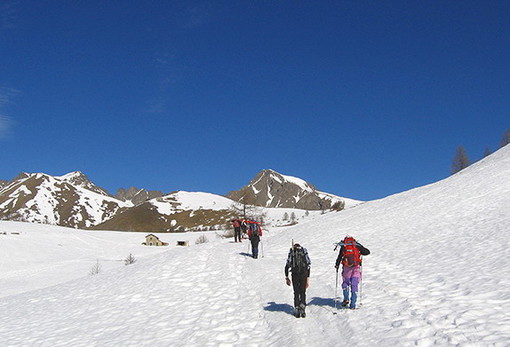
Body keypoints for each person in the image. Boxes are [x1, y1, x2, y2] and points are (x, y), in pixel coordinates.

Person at [335, 236, 370, 309]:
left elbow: (340, 256)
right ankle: (353, 305)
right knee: (354, 285)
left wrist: (337, 265)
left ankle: (346, 299)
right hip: (356, 268)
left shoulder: (344, 246)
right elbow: (367, 252)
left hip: (346, 269)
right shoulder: (356, 246)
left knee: (346, 284)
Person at [285, 243, 311, 318]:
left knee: (296, 291)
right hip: (304, 273)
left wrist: (287, 277)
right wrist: (307, 279)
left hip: (295, 274)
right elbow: (308, 264)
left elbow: (287, 265)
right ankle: (302, 306)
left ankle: (297, 307)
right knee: (303, 291)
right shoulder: (304, 251)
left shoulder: (292, 253)